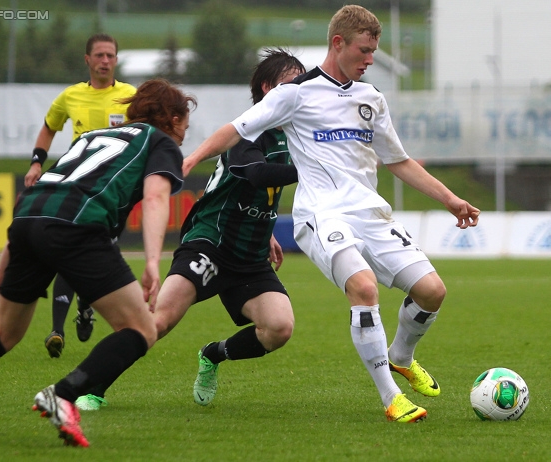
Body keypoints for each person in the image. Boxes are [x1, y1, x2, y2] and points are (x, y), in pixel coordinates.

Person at [182, 5, 481, 423]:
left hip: (371, 214)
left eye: (374, 51)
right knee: (363, 289)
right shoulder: (296, 93)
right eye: (364, 50)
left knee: (433, 292)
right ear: (337, 43)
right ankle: (391, 397)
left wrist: (450, 199)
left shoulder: (371, 98)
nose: (370, 59)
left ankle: (400, 355)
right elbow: (235, 129)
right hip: (321, 215)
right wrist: (191, 158)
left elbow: (398, 161)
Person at [0, 78, 196, 446]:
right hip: (76, 226)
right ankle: (63, 394)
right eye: (185, 126)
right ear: (172, 119)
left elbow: (42, 193)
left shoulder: (90, 138)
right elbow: (156, 197)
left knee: (3, 334)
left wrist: (2, 271)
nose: (184, 135)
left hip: (28, 221)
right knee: (142, 330)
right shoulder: (159, 142)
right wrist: (154, 261)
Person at [76, 48, 306, 408]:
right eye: (293, 82)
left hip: (250, 255)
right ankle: (92, 386)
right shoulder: (247, 129)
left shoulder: (297, 134)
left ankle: (213, 355)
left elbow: (257, 191)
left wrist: (269, 230)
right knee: (160, 320)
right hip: (210, 242)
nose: (301, 91)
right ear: (268, 88)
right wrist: (316, 170)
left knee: (279, 329)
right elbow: (258, 174)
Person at [25, 33, 137, 361]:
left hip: (114, 191)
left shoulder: (130, 96)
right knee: (71, 247)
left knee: (94, 252)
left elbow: (146, 131)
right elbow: (49, 126)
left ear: (116, 60)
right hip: (76, 187)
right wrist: (36, 161)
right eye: (99, 55)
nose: (105, 61)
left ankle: (86, 304)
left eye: (110, 55)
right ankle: (57, 330)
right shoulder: (71, 96)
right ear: (87, 59)